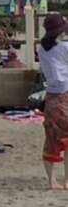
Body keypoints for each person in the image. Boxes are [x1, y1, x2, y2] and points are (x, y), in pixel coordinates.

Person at [37, 13, 68, 189]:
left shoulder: (41, 49)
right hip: (65, 96)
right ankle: (67, 180)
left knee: (50, 140)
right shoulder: (64, 47)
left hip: (50, 97)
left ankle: (51, 180)